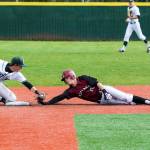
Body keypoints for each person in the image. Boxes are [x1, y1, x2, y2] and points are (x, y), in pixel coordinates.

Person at [38, 69, 150, 105]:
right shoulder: (71, 91)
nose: (65, 81)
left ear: (72, 76)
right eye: (64, 79)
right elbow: (59, 97)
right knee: (126, 103)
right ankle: (140, 102)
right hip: (102, 101)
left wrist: (105, 92)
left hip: (105, 90)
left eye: (66, 78)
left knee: (126, 97)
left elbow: (97, 82)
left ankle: (147, 101)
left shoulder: (83, 78)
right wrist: (46, 103)